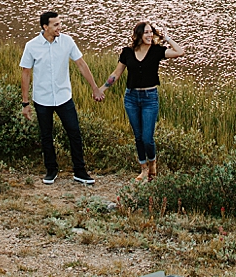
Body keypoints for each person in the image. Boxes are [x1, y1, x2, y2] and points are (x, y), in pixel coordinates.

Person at [19, 11, 103, 185]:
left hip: (64, 97)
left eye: (60, 23)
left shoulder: (67, 41)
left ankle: (80, 172)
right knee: (46, 136)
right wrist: (25, 103)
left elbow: (81, 64)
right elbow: (25, 73)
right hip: (42, 99)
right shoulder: (32, 46)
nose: (60, 27)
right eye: (55, 24)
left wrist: (95, 88)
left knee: (74, 133)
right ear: (45, 27)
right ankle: (51, 171)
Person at [101, 19, 175, 181]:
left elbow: (180, 52)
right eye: (146, 32)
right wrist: (102, 89)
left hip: (150, 98)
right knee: (138, 136)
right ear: (138, 35)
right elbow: (116, 73)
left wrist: (167, 38)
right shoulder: (127, 52)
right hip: (131, 98)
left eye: (151, 32)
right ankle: (143, 169)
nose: (149, 35)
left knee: (148, 138)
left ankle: (153, 164)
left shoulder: (157, 51)